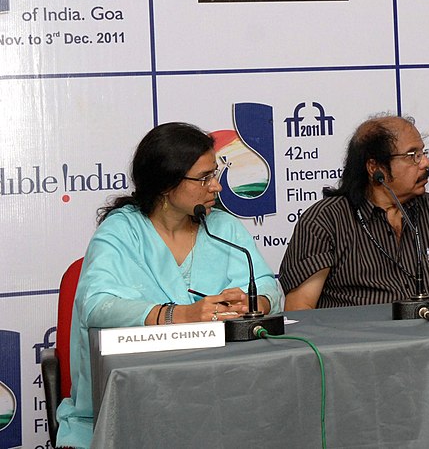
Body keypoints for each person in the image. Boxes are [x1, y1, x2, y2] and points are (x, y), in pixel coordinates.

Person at [55, 123, 281, 449]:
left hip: (221, 403)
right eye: (203, 178)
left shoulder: (223, 226)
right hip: (131, 410)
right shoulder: (121, 232)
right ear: (166, 183)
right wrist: (180, 315)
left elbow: (266, 284)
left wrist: (256, 303)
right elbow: (96, 306)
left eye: (214, 173)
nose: (216, 186)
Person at [280, 114, 429, 309]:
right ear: (375, 168)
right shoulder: (324, 221)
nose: (426, 163)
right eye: (413, 156)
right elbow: (300, 308)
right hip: (357, 341)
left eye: (424, 153)